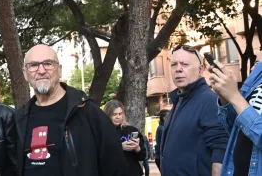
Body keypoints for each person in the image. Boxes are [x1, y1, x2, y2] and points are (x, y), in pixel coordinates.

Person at [15, 44, 127, 176]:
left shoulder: (87, 112)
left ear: (59, 70)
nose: (41, 70)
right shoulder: (19, 119)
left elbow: (116, 167)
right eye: (33, 65)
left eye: (48, 63)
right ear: (25, 74)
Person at [159, 45, 228, 176]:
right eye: (174, 64)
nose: (178, 69)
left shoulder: (208, 100)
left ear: (201, 69)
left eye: (184, 64)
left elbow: (221, 149)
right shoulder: (180, 100)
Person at [209, 49, 262, 176]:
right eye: (256, 63)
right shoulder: (255, 82)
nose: (254, 67)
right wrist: (224, 96)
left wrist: (234, 96)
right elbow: (235, 128)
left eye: (259, 63)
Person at [103, 100, 146, 175]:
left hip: (133, 172)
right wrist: (120, 147)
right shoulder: (102, 132)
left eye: (120, 114)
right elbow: (101, 154)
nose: (118, 117)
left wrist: (137, 148)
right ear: (108, 115)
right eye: (114, 114)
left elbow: (142, 156)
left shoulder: (131, 130)